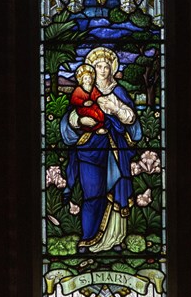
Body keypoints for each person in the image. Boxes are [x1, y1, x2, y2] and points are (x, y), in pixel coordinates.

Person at [61, 47, 142, 252]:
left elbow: (135, 127)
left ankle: (115, 239)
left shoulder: (119, 91)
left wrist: (120, 112)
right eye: (98, 66)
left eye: (107, 66)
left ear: (113, 69)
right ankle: (88, 237)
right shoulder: (83, 93)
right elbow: (67, 124)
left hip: (116, 151)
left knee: (117, 191)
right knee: (92, 194)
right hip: (90, 150)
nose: (103, 70)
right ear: (92, 69)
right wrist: (79, 120)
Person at [69, 63, 105, 133]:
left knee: (100, 113)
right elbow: (74, 99)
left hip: (93, 106)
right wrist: (83, 103)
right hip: (82, 108)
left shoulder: (93, 88)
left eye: (89, 78)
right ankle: (92, 129)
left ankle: (99, 127)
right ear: (82, 80)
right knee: (93, 114)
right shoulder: (78, 89)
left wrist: (100, 99)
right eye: (85, 78)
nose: (88, 80)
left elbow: (97, 95)